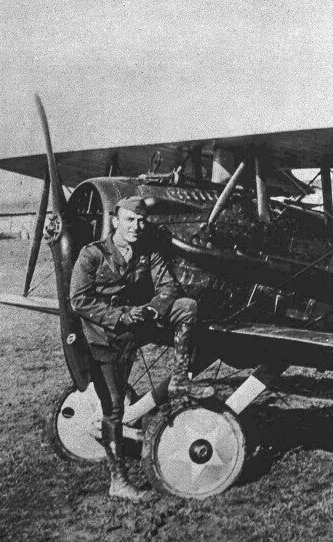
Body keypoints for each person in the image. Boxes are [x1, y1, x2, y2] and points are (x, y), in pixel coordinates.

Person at [70, 196, 214, 501]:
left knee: (186, 306)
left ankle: (179, 379)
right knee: (114, 408)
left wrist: (149, 311)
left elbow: (169, 289)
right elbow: (79, 300)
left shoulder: (149, 250)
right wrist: (119, 316)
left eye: (141, 220)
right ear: (114, 221)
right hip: (106, 335)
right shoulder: (91, 254)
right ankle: (118, 480)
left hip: (141, 321)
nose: (137, 226)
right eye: (130, 220)